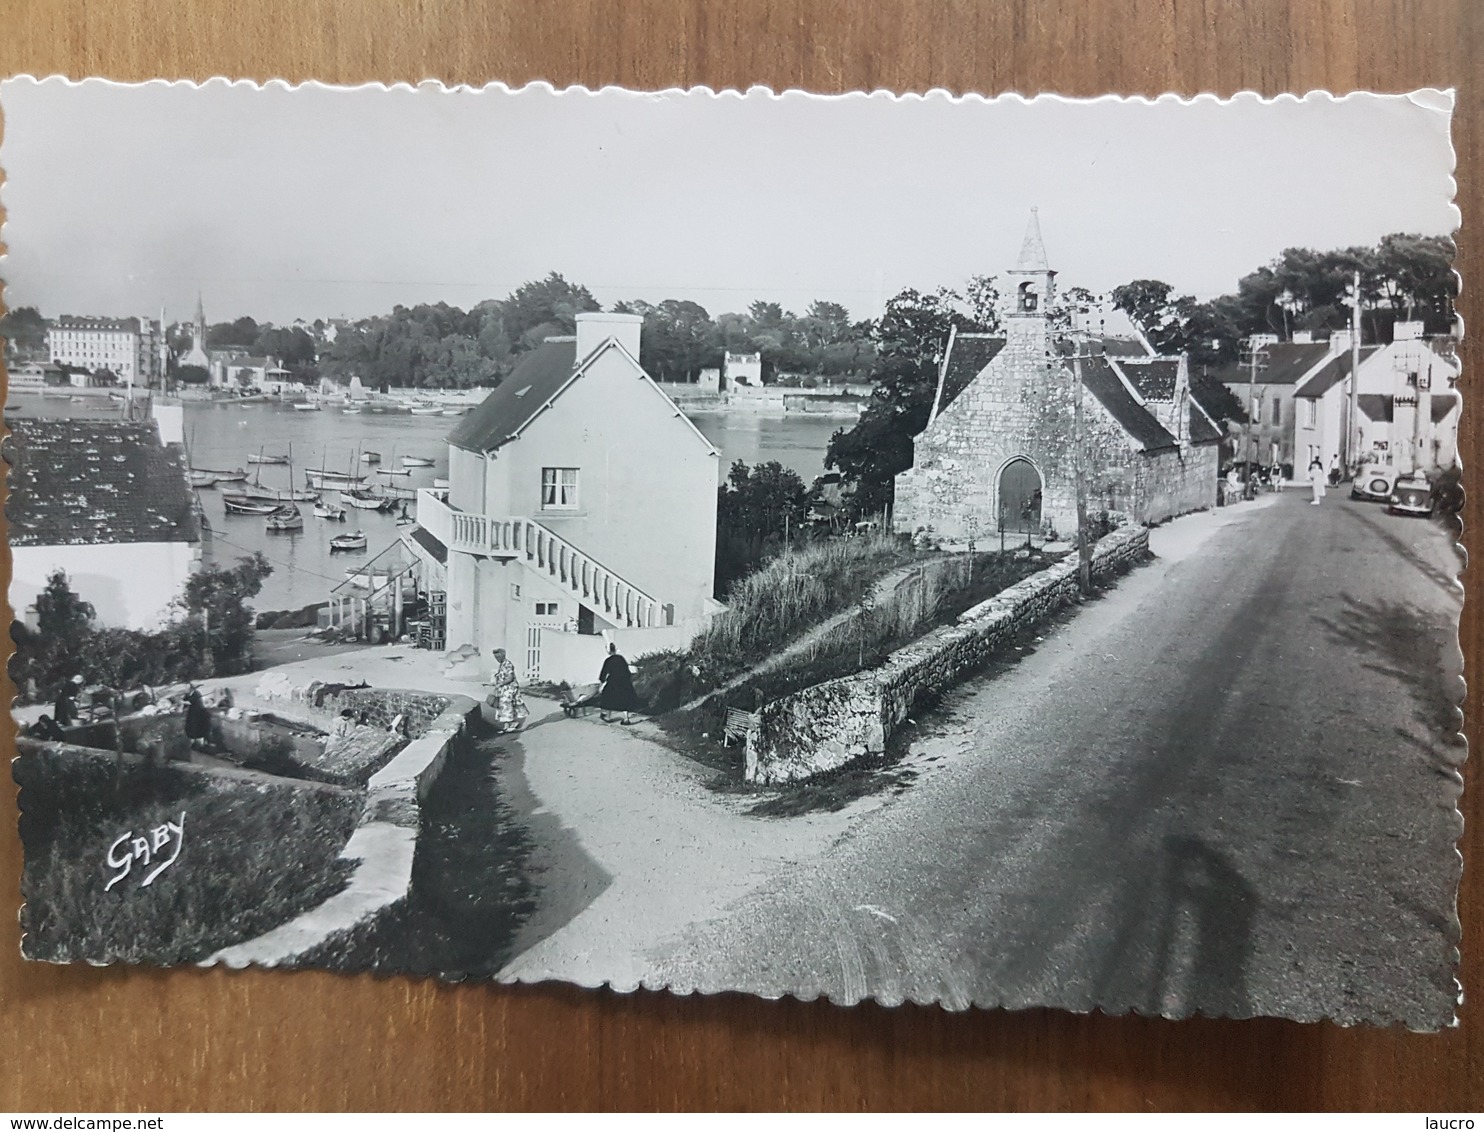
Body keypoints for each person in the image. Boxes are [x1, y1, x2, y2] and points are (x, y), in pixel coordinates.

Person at [486, 647, 527, 733]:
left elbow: (510, 678)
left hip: (510, 688)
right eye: (495, 657)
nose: (497, 659)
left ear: (502, 656)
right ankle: (507, 725)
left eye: (498, 657)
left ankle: (511, 723)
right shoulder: (502, 664)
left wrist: (500, 684)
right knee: (504, 706)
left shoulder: (508, 664)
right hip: (504, 688)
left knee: (507, 705)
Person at [598, 643, 641, 725]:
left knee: (607, 696)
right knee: (625, 699)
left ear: (608, 651)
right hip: (625, 681)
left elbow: (603, 674)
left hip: (613, 681)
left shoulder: (608, 660)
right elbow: (627, 671)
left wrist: (601, 684)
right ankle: (626, 718)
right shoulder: (621, 658)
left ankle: (608, 716)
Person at [184, 686, 212, 751]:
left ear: (191, 689)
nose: (185, 690)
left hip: (199, 712)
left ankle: (202, 743)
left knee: (198, 726)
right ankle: (193, 741)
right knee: (191, 726)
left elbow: (190, 702)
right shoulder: (188, 695)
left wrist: (181, 702)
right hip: (192, 712)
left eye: (186, 688)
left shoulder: (196, 693)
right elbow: (185, 701)